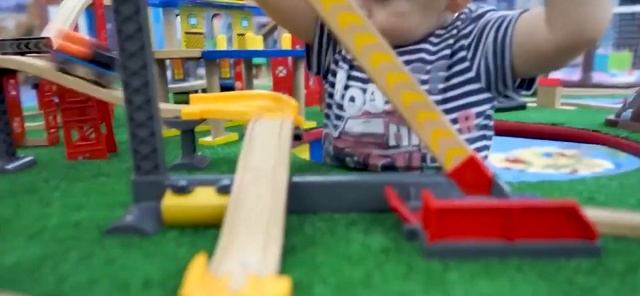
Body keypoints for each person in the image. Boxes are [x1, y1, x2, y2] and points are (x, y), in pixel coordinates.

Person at [255, 0, 612, 171]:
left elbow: (569, 31)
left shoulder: (477, 40)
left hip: (446, 210)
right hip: (342, 212)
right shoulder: (340, 32)